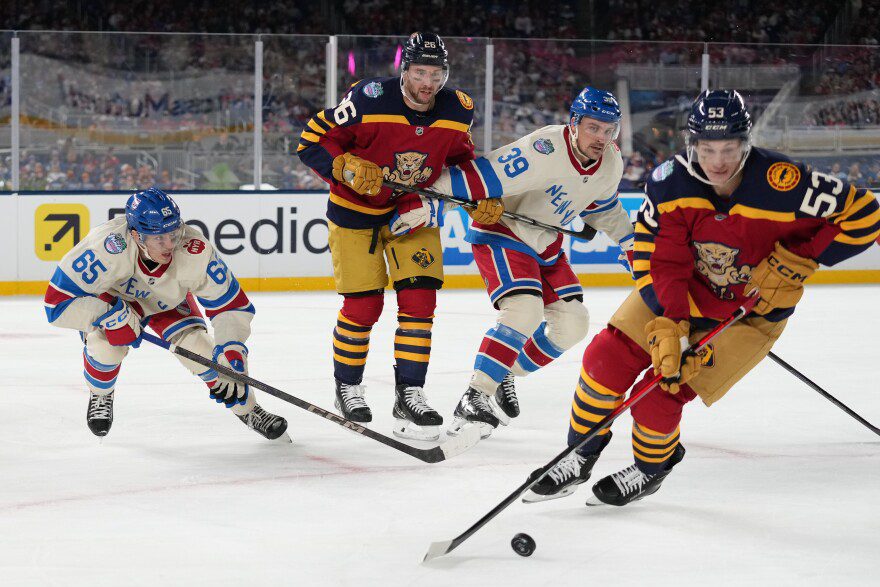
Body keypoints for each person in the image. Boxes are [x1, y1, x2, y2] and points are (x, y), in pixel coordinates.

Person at [524, 90, 880, 506]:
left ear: (746, 142)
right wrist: (671, 322)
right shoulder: (669, 183)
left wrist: (800, 259)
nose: (718, 162)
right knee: (606, 357)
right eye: (707, 149)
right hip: (682, 292)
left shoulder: (782, 180)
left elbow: (865, 214)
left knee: (661, 394)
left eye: (729, 148)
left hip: (750, 314)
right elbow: (661, 258)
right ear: (691, 143)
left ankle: (651, 469)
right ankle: (580, 453)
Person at [420, 87, 635, 439]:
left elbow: (602, 207)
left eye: (609, 130)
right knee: (524, 311)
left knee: (573, 324)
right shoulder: (544, 148)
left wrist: (630, 243)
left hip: (544, 243)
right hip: (503, 230)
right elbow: (481, 176)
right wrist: (427, 196)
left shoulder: (610, 161)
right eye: (594, 128)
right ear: (575, 123)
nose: (602, 137)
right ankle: (475, 396)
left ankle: (504, 370)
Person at [297, 32, 478, 441]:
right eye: (420, 72)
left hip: (412, 212)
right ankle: (348, 385)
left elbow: (462, 163)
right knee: (363, 307)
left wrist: (478, 196)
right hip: (354, 212)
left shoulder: (458, 109)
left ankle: (409, 394)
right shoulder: (369, 99)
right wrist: (344, 167)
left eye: (436, 74)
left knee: (420, 302)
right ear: (405, 70)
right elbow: (311, 140)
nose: (428, 83)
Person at [44, 187, 289, 440]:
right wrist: (109, 316)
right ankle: (101, 393)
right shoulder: (105, 246)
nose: (170, 244)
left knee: (204, 353)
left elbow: (230, 306)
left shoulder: (195, 250)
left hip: (168, 302)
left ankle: (249, 411)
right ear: (136, 236)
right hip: (116, 301)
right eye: (159, 238)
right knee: (106, 347)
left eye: (173, 233)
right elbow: (56, 304)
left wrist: (231, 347)